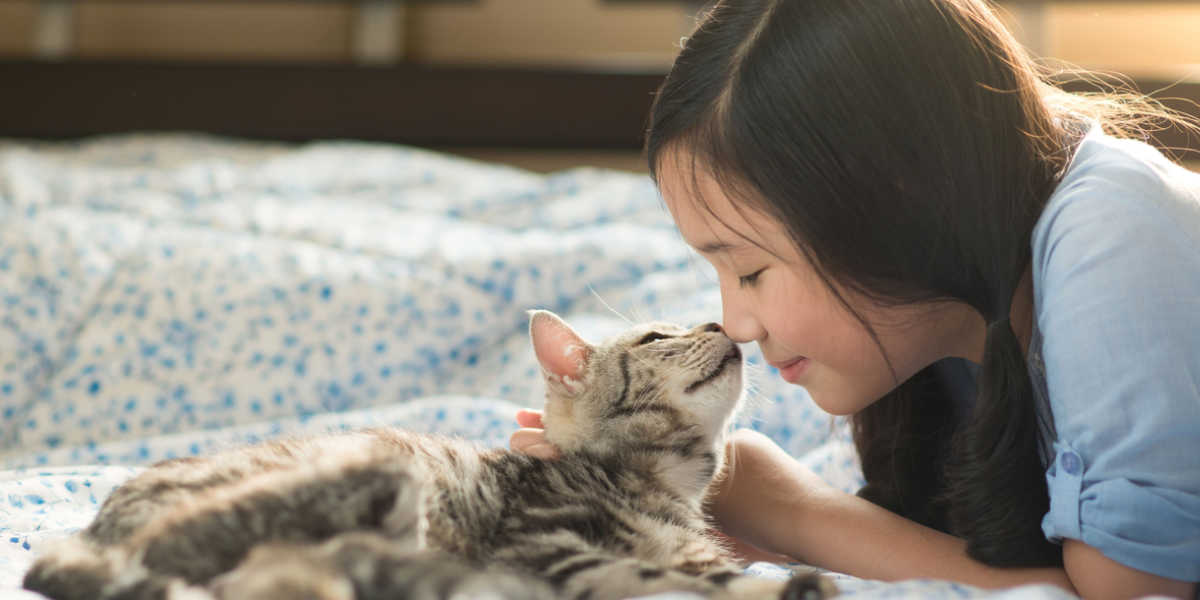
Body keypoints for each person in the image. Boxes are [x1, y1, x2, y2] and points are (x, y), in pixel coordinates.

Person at [511, 0, 1200, 597]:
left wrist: (785, 504)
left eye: (749, 271)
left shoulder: (1113, 239)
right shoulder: (954, 321)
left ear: (892, 206)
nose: (735, 325)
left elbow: (1130, 595)